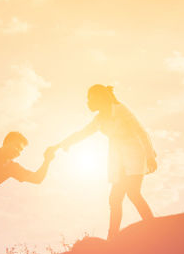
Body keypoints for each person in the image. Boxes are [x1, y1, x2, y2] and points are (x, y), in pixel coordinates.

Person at [55, 84, 157, 240]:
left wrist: (150, 156)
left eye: (90, 99)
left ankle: (153, 226)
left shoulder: (120, 110)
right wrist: (65, 143)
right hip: (118, 158)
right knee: (115, 198)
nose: (88, 102)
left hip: (134, 153)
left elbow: (140, 131)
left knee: (133, 193)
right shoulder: (99, 119)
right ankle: (113, 237)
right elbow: (83, 133)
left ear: (100, 98)